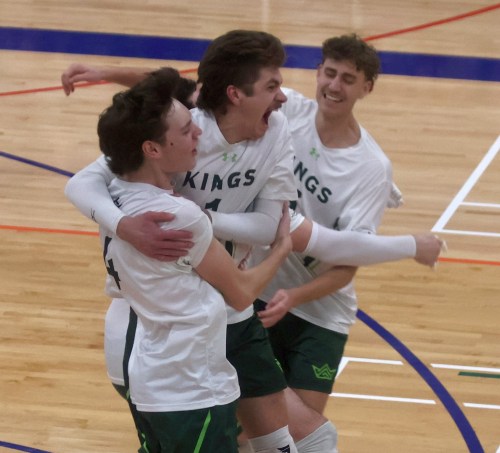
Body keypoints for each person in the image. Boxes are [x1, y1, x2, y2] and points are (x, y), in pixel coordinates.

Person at [62, 31, 443, 453]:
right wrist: (124, 224)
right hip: (176, 331)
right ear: (234, 96)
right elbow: (96, 168)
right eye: (272, 86)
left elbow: (276, 230)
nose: (282, 96)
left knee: (300, 440)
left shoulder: (281, 127)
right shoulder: (177, 140)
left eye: (347, 78)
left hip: (235, 313)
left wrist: (211, 222)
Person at [93, 67, 294, 452]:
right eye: (186, 131)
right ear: (151, 149)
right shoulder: (181, 216)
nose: (198, 134)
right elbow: (240, 293)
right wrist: (281, 249)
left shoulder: (114, 195)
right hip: (188, 383)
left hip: (150, 376)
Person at [254, 33, 432, 450]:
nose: (334, 86)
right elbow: (195, 94)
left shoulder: (370, 168)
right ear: (317, 73)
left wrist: (294, 296)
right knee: (259, 427)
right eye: (329, 73)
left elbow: (347, 266)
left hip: (320, 313)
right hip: (261, 293)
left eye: (348, 79)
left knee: (303, 431)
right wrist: (107, 73)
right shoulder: (290, 111)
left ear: (366, 88)